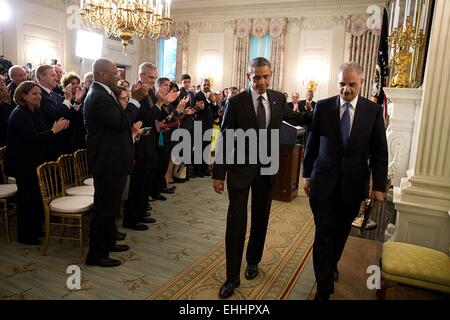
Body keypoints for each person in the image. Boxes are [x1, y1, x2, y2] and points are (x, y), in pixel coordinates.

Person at [212, 57, 311, 299]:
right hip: (239, 170)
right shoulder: (236, 102)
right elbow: (225, 137)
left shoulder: (278, 98)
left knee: (260, 218)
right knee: (236, 222)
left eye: (266, 76)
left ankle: (253, 262)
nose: (261, 82)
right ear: (248, 76)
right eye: (256, 77)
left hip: (267, 170)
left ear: (271, 75)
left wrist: (323, 111)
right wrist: (219, 174)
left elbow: (294, 119)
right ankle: (231, 277)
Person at [302, 62, 388, 300]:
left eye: (351, 84)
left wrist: (378, 186)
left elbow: (380, 151)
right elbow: (311, 143)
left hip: (353, 185)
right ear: (337, 82)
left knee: (340, 233)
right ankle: (324, 287)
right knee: (324, 233)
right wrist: (307, 175)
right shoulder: (323, 107)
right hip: (322, 183)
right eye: (342, 84)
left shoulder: (372, 111)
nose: (346, 89)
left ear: (360, 83)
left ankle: (331, 264)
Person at [83, 58, 146, 267]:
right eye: (114, 73)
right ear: (102, 74)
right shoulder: (98, 96)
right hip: (107, 159)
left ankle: (109, 242)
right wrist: (135, 101)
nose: (118, 77)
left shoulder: (104, 92)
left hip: (113, 158)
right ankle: (96, 255)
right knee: (104, 209)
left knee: (110, 206)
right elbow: (121, 122)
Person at [5, 81, 69, 245]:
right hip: (23, 163)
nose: (39, 96)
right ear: (23, 96)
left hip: (34, 160)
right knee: (27, 199)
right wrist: (53, 131)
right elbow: (31, 139)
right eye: (34, 93)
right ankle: (25, 236)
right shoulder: (20, 113)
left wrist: (53, 130)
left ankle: (34, 229)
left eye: (39, 93)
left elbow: (42, 132)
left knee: (34, 197)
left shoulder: (34, 110)